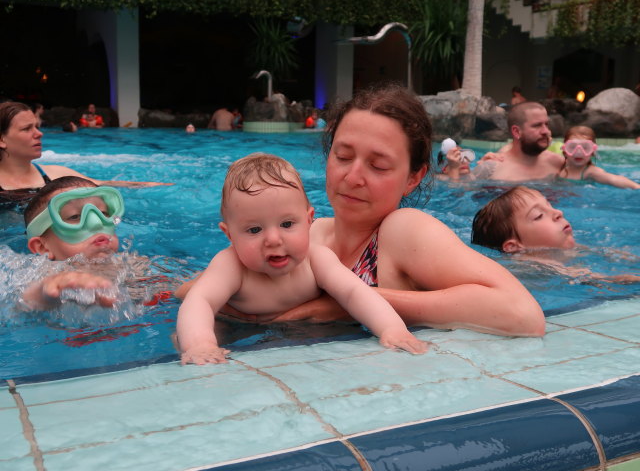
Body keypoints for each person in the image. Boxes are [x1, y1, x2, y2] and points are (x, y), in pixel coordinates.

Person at [177, 84, 544, 337]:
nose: (353, 177)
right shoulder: (309, 235)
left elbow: (523, 314)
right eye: (343, 156)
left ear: (414, 177)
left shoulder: (402, 231)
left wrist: (343, 303)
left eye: (378, 166)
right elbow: (204, 288)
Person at [176, 153, 427, 365]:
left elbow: (354, 292)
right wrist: (200, 344)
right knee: (182, 338)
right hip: (234, 329)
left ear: (309, 221)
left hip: (301, 332)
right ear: (229, 235)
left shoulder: (316, 259)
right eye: (254, 230)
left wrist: (391, 328)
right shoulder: (231, 265)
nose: (273, 239)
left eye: (287, 224)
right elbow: (201, 301)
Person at [20, 176, 174, 310]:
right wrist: (48, 290)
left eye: (104, 213)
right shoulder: (39, 275)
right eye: (74, 216)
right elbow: (26, 302)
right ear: (42, 247)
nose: (96, 223)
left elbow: (177, 288)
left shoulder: (133, 265)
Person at [0, 102, 171, 207]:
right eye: (26, 129)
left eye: (37, 127)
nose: (39, 134)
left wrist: (160, 185)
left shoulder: (54, 175)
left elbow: (106, 184)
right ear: (2, 139)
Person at [470, 186, 640, 283]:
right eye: (538, 215)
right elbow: (592, 279)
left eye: (550, 205)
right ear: (514, 247)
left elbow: (604, 253)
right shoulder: (532, 263)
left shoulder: (560, 248)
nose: (557, 212)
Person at [473, 102, 564, 182]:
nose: (545, 131)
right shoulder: (492, 170)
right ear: (516, 131)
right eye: (537, 125)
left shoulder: (558, 162)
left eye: (546, 124)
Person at [559, 126, 640, 189]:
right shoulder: (559, 165)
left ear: (593, 151)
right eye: (572, 147)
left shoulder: (591, 172)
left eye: (586, 147)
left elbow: (614, 179)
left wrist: (637, 187)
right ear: (564, 149)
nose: (579, 152)